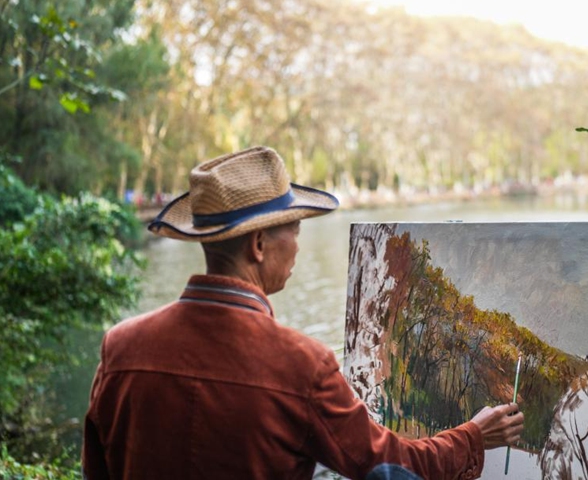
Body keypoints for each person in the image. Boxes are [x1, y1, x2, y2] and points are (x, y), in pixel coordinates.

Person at [81, 146, 524, 480]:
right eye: (294, 230)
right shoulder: (300, 365)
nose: (298, 244)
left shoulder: (120, 346)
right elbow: (390, 463)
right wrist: (472, 436)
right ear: (258, 246)